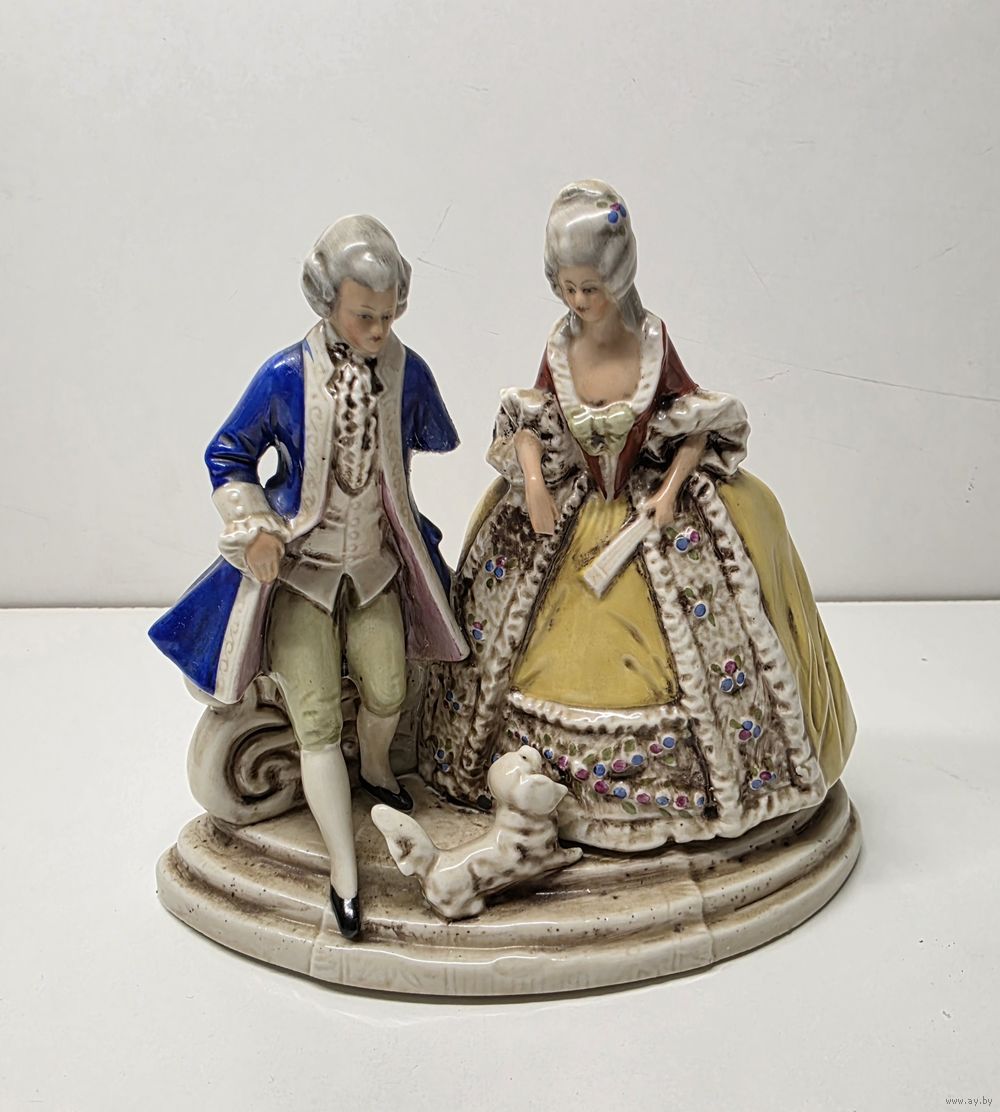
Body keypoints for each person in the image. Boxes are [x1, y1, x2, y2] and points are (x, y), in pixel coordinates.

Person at [419, 181, 855, 852]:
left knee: (696, 626)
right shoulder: (560, 345)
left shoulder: (652, 342)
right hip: (569, 505)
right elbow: (531, 422)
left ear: (619, 278)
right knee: (517, 627)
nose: (577, 301)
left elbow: (695, 426)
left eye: (590, 288)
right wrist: (532, 482)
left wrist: (670, 489)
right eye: (567, 287)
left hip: (650, 505)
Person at [150, 215, 467, 937]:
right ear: (327, 302)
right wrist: (255, 524)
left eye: (388, 315)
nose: (378, 330)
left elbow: (430, 442)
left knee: (389, 688)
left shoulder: (407, 372)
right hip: (302, 575)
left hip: (377, 568)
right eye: (363, 316)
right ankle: (343, 874)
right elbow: (228, 455)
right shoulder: (284, 376)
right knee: (317, 722)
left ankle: (377, 771)